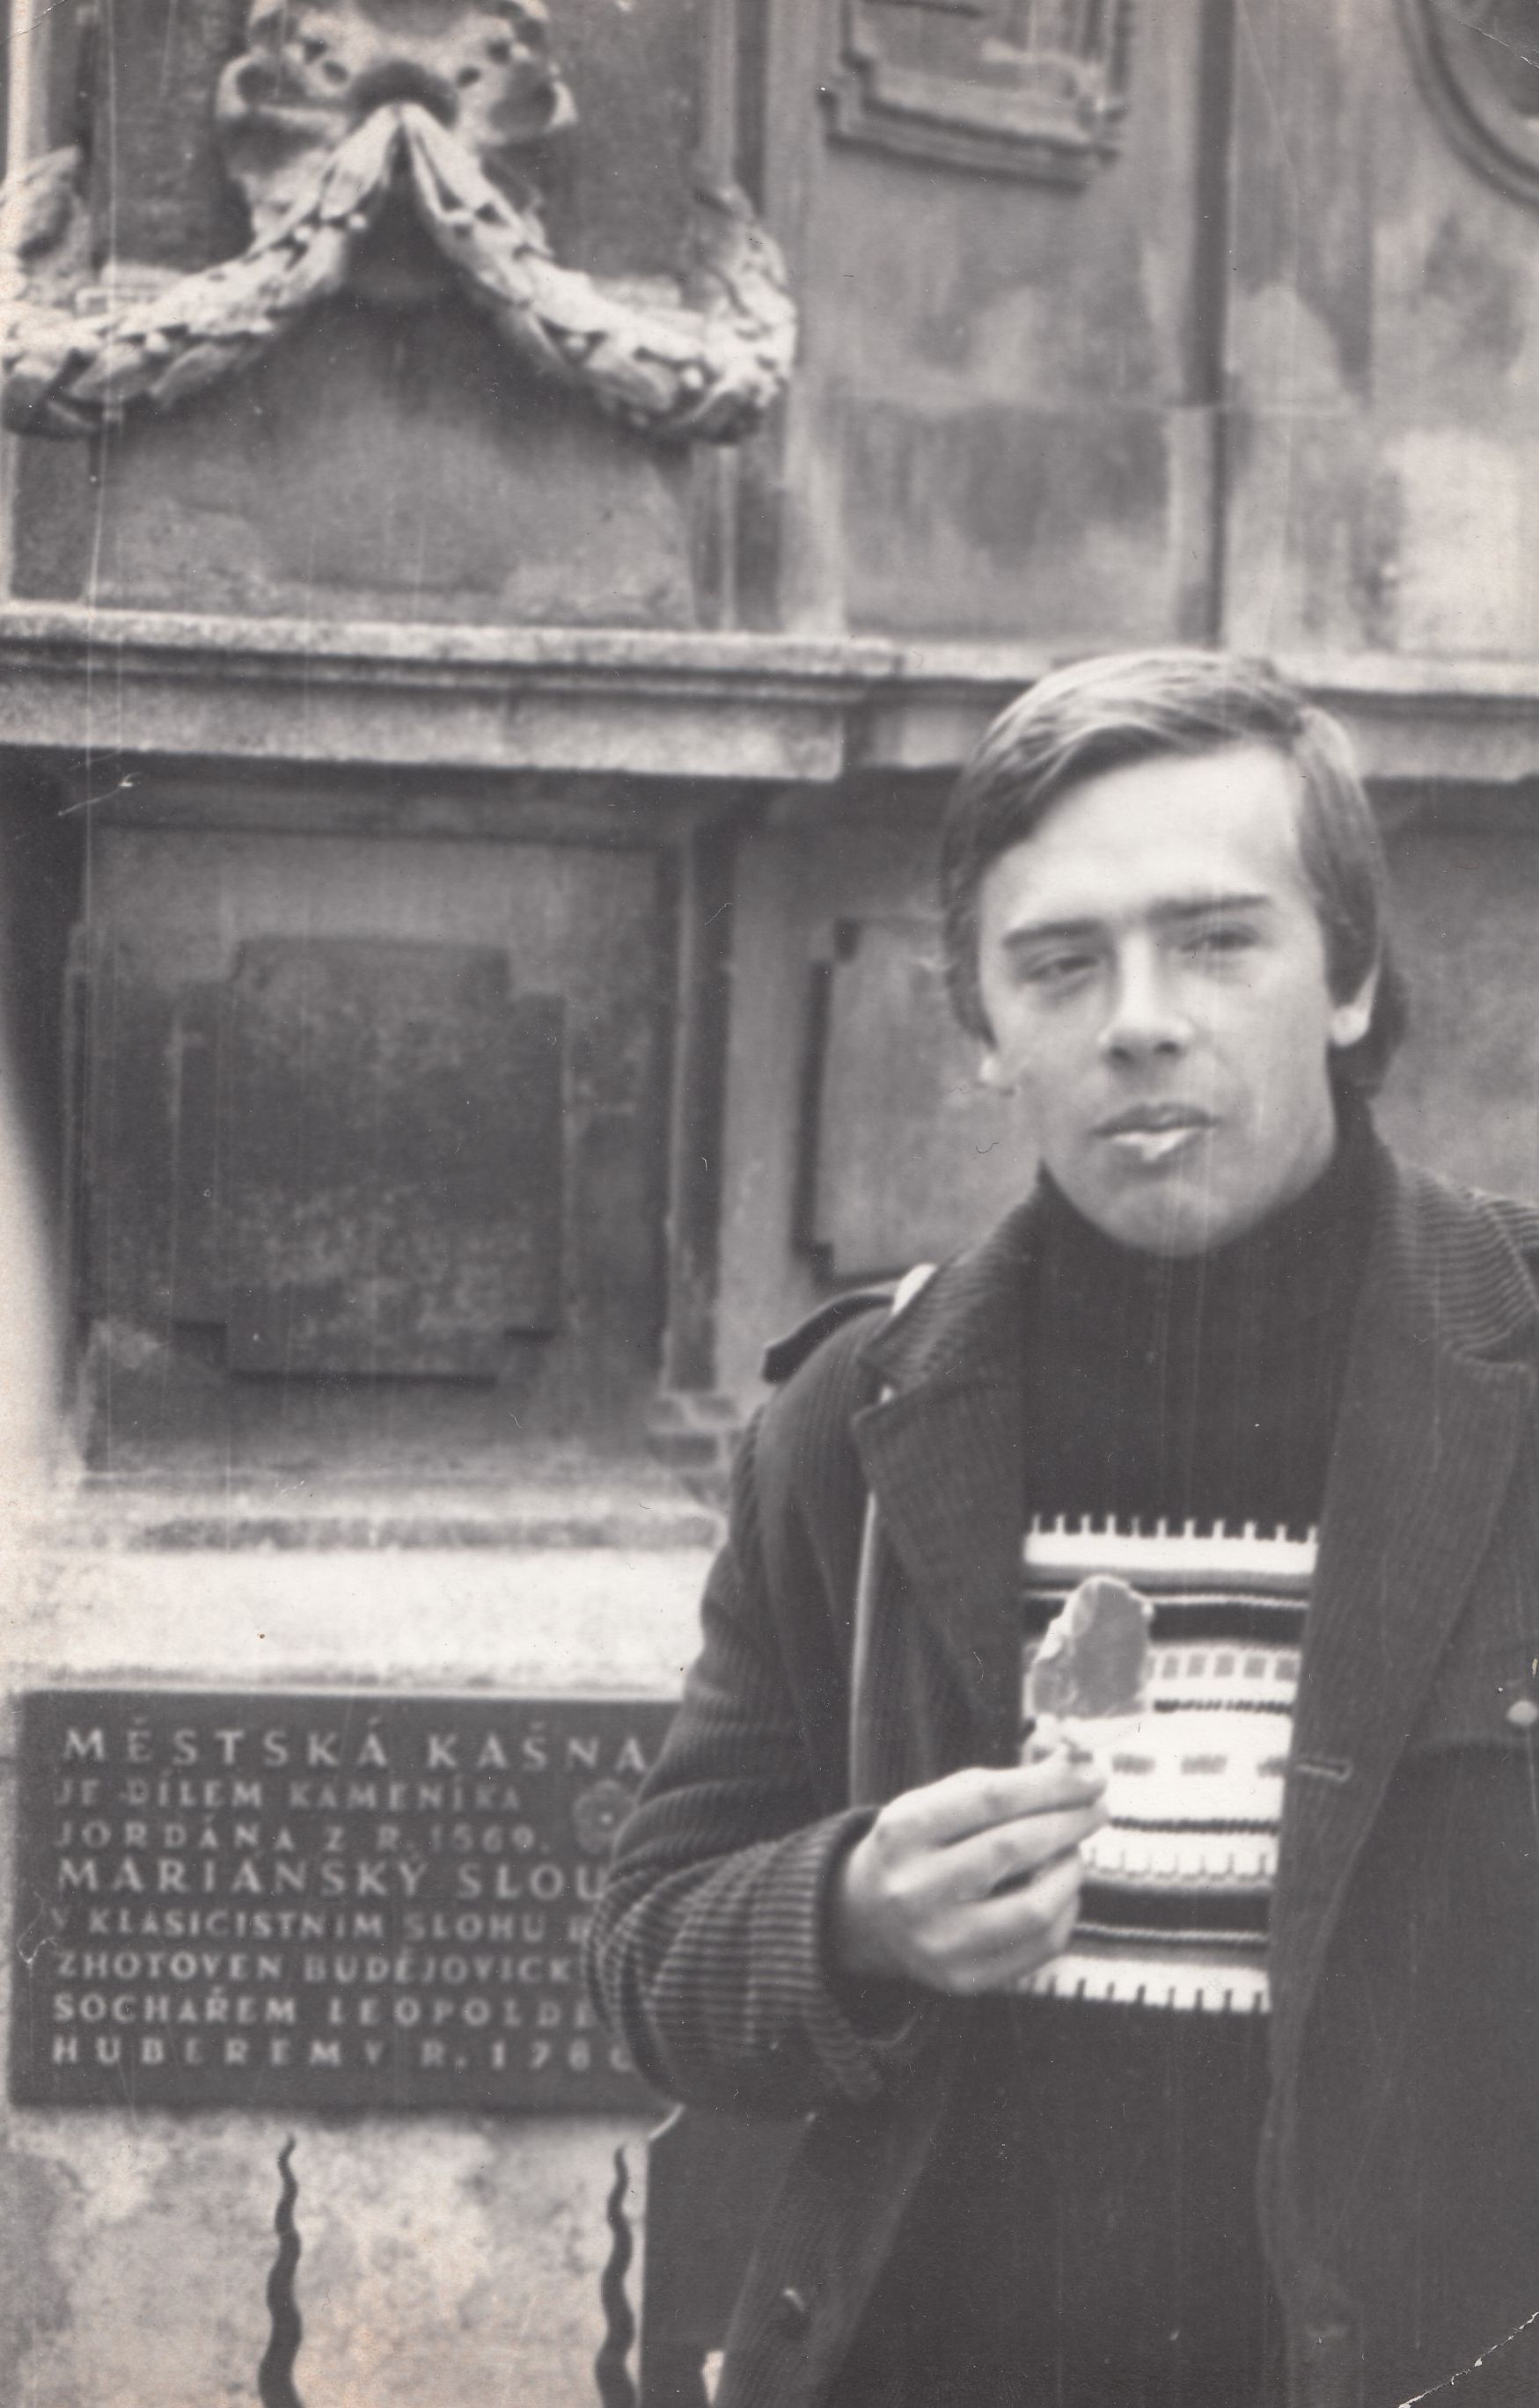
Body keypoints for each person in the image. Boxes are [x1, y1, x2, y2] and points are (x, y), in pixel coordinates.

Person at [586, 651, 1539, 2408]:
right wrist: (849, 1910)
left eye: (1216, 940)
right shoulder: (858, 1415)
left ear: (1347, 977)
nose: (1137, 1019)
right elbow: (652, 1953)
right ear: (981, 1028)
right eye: (1056, 962)